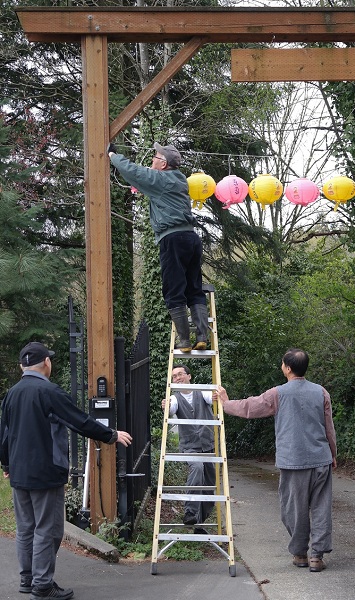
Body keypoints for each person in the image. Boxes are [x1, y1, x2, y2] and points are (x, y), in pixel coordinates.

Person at [0, 342, 133, 600]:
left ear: (22, 366)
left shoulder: (11, 394)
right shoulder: (49, 392)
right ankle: (42, 586)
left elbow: (3, 435)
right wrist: (111, 435)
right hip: (46, 472)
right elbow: (79, 421)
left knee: (26, 527)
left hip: (19, 473)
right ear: (46, 364)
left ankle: (27, 579)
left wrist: (6, 464)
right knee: (47, 529)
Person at [216, 348, 337, 573]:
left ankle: (300, 553)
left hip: (293, 461)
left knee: (294, 509)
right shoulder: (321, 392)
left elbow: (251, 407)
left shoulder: (278, 394)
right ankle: (317, 557)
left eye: (283, 364)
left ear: (288, 368)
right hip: (321, 459)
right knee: (321, 508)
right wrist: (333, 454)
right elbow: (329, 426)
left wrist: (225, 403)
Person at [108, 141, 208, 352]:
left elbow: (134, 172)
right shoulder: (179, 179)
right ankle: (202, 336)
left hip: (172, 239)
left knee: (173, 289)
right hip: (191, 238)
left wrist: (113, 157)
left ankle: (184, 340)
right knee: (194, 288)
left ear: (163, 164)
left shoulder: (161, 180)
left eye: (156, 157)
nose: (152, 159)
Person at [162, 364, 215, 530]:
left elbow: (211, 396)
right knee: (197, 467)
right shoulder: (175, 398)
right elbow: (171, 408)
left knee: (209, 486)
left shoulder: (202, 392)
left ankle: (198, 522)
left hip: (207, 445)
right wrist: (166, 406)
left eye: (180, 374)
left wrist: (216, 396)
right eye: (174, 377)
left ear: (189, 376)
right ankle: (190, 512)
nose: (177, 378)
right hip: (190, 447)